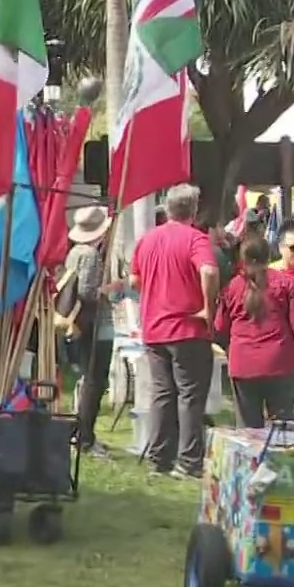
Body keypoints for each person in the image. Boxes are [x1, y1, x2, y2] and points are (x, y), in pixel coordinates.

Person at [129, 184, 220, 478]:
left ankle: (159, 458)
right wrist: (208, 307)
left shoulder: (147, 240)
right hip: (187, 327)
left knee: (162, 394)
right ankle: (188, 461)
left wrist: (154, 293)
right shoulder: (196, 239)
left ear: (167, 208)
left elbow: (133, 280)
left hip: (154, 328)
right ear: (193, 210)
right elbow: (208, 270)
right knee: (190, 396)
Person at [215, 233, 294, 428]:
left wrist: (231, 348)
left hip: (243, 364)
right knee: (282, 432)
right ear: (269, 256)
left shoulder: (232, 288)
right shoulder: (285, 284)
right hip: (281, 364)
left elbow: (219, 327)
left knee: (248, 431)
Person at [62, 206, 121, 457]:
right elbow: (87, 292)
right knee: (95, 381)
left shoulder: (76, 252)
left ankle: (85, 433)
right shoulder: (89, 255)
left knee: (91, 380)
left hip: (86, 324)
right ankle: (85, 436)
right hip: (95, 324)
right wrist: (108, 289)